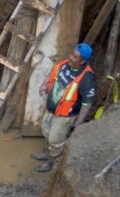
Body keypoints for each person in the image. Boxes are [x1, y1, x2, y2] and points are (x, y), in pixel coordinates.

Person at [37, 42, 97, 172]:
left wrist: (79, 122)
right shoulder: (65, 64)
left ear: (82, 61)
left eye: (75, 57)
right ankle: (47, 153)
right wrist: (43, 85)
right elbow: (52, 74)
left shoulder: (87, 78)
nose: (70, 57)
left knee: (55, 139)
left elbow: (87, 103)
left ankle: (52, 162)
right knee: (46, 131)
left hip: (65, 115)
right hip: (51, 108)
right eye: (71, 53)